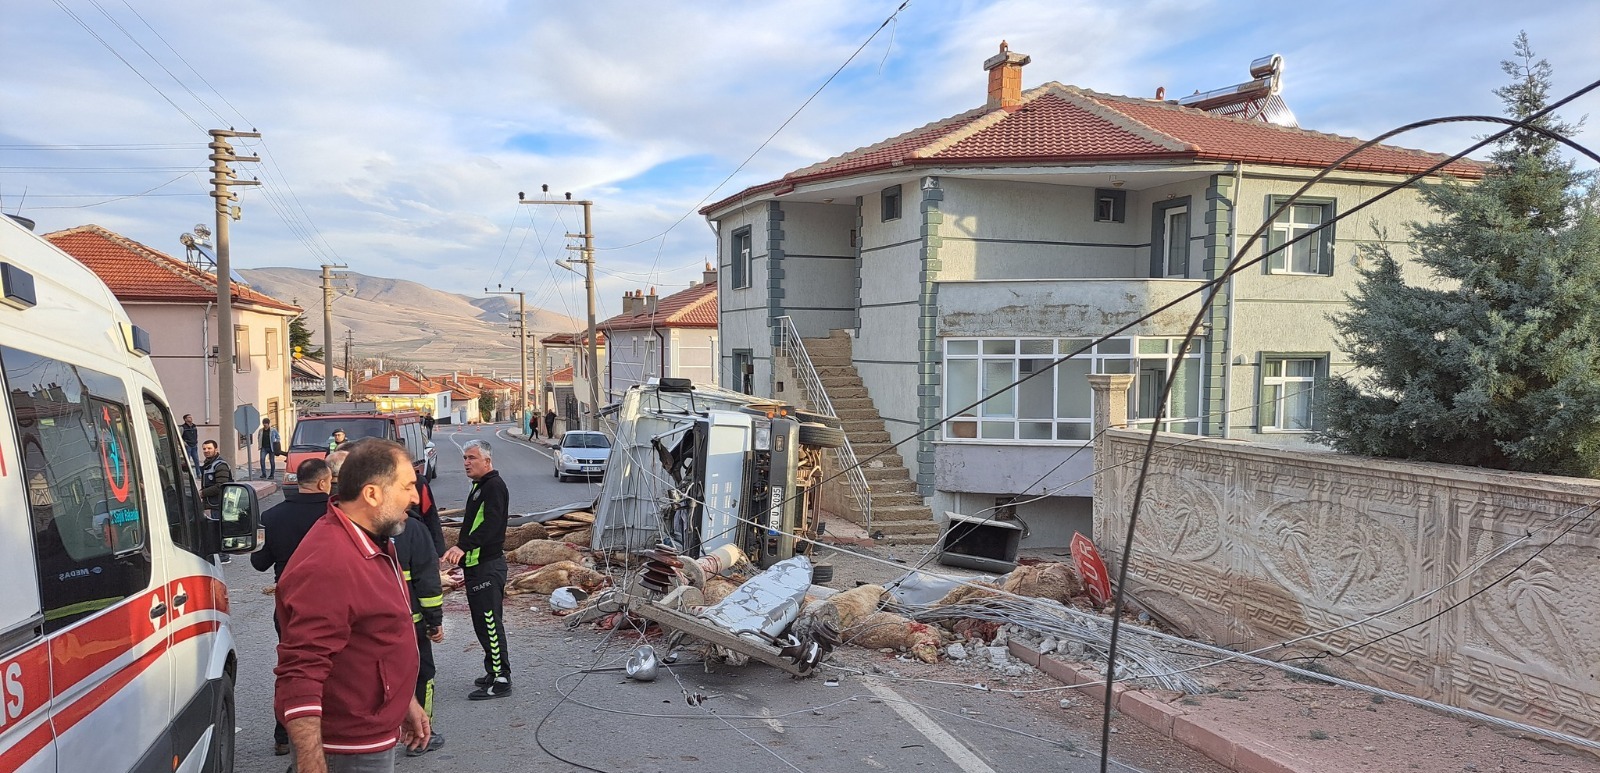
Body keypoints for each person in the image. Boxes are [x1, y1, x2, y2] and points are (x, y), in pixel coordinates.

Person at [274, 439, 430, 772]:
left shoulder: (370, 539)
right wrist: (311, 759)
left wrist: (405, 701)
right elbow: (301, 670)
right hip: (348, 749)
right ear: (373, 494)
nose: (416, 498)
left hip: (368, 733)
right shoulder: (333, 561)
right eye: (408, 487)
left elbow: (377, 638)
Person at [251, 458, 333, 757]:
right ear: (324, 483)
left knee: (292, 667)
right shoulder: (336, 513)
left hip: (289, 606)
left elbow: (260, 563)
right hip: (332, 603)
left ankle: (283, 734)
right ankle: (328, 731)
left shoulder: (274, 517)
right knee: (336, 667)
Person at [442, 440, 511, 699]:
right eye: (464, 458)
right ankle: (492, 670)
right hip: (474, 566)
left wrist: (463, 546)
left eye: (472, 458)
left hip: (487, 566)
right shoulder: (479, 487)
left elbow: (492, 526)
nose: (466, 463)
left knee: (491, 623)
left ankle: (502, 677)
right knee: (481, 624)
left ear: (487, 461)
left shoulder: (493, 486)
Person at [396, 485, 446, 757]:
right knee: (422, 674)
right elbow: (428, 582)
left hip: (371, 624)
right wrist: (434, 622)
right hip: (411, 622)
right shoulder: (414, 530)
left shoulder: (362, 528)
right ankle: (421, 735)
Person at [197, 439, 233, 563]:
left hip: (218, 504)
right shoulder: (209, 464)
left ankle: (223, 555)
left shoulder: (220, 465)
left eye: (209, 448)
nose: (206, 451)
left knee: (218, 529)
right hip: (211, 504)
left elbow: (221, 485)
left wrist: (202, 493)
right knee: (213, 529)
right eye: (204, 449)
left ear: (216, 449)